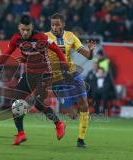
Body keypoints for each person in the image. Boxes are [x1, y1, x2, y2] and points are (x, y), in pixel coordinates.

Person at [0, 14, 68, 145]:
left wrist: (64, 64)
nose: (25, 32)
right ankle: (21, 133)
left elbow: (57, 50)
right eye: (23, 29)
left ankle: (59, 124)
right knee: (16, 102)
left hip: (45, 74)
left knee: (36, 102)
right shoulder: (16, 39)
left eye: (27, 30)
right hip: (29, 74)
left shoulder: (42, 37)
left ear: (32, 28)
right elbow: (8, 53)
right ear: (19, 27)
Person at [45, 13, 96, 148]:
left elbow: (88, 56)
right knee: (72, 114)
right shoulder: (45, 38)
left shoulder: (71, 36)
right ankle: (72, 106)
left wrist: (91, 51)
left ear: (63, 24)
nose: (55, 27)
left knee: (84, 105)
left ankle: (81, 139)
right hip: (57, 80)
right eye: (52, 25)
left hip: (73, 75)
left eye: (57, 24)